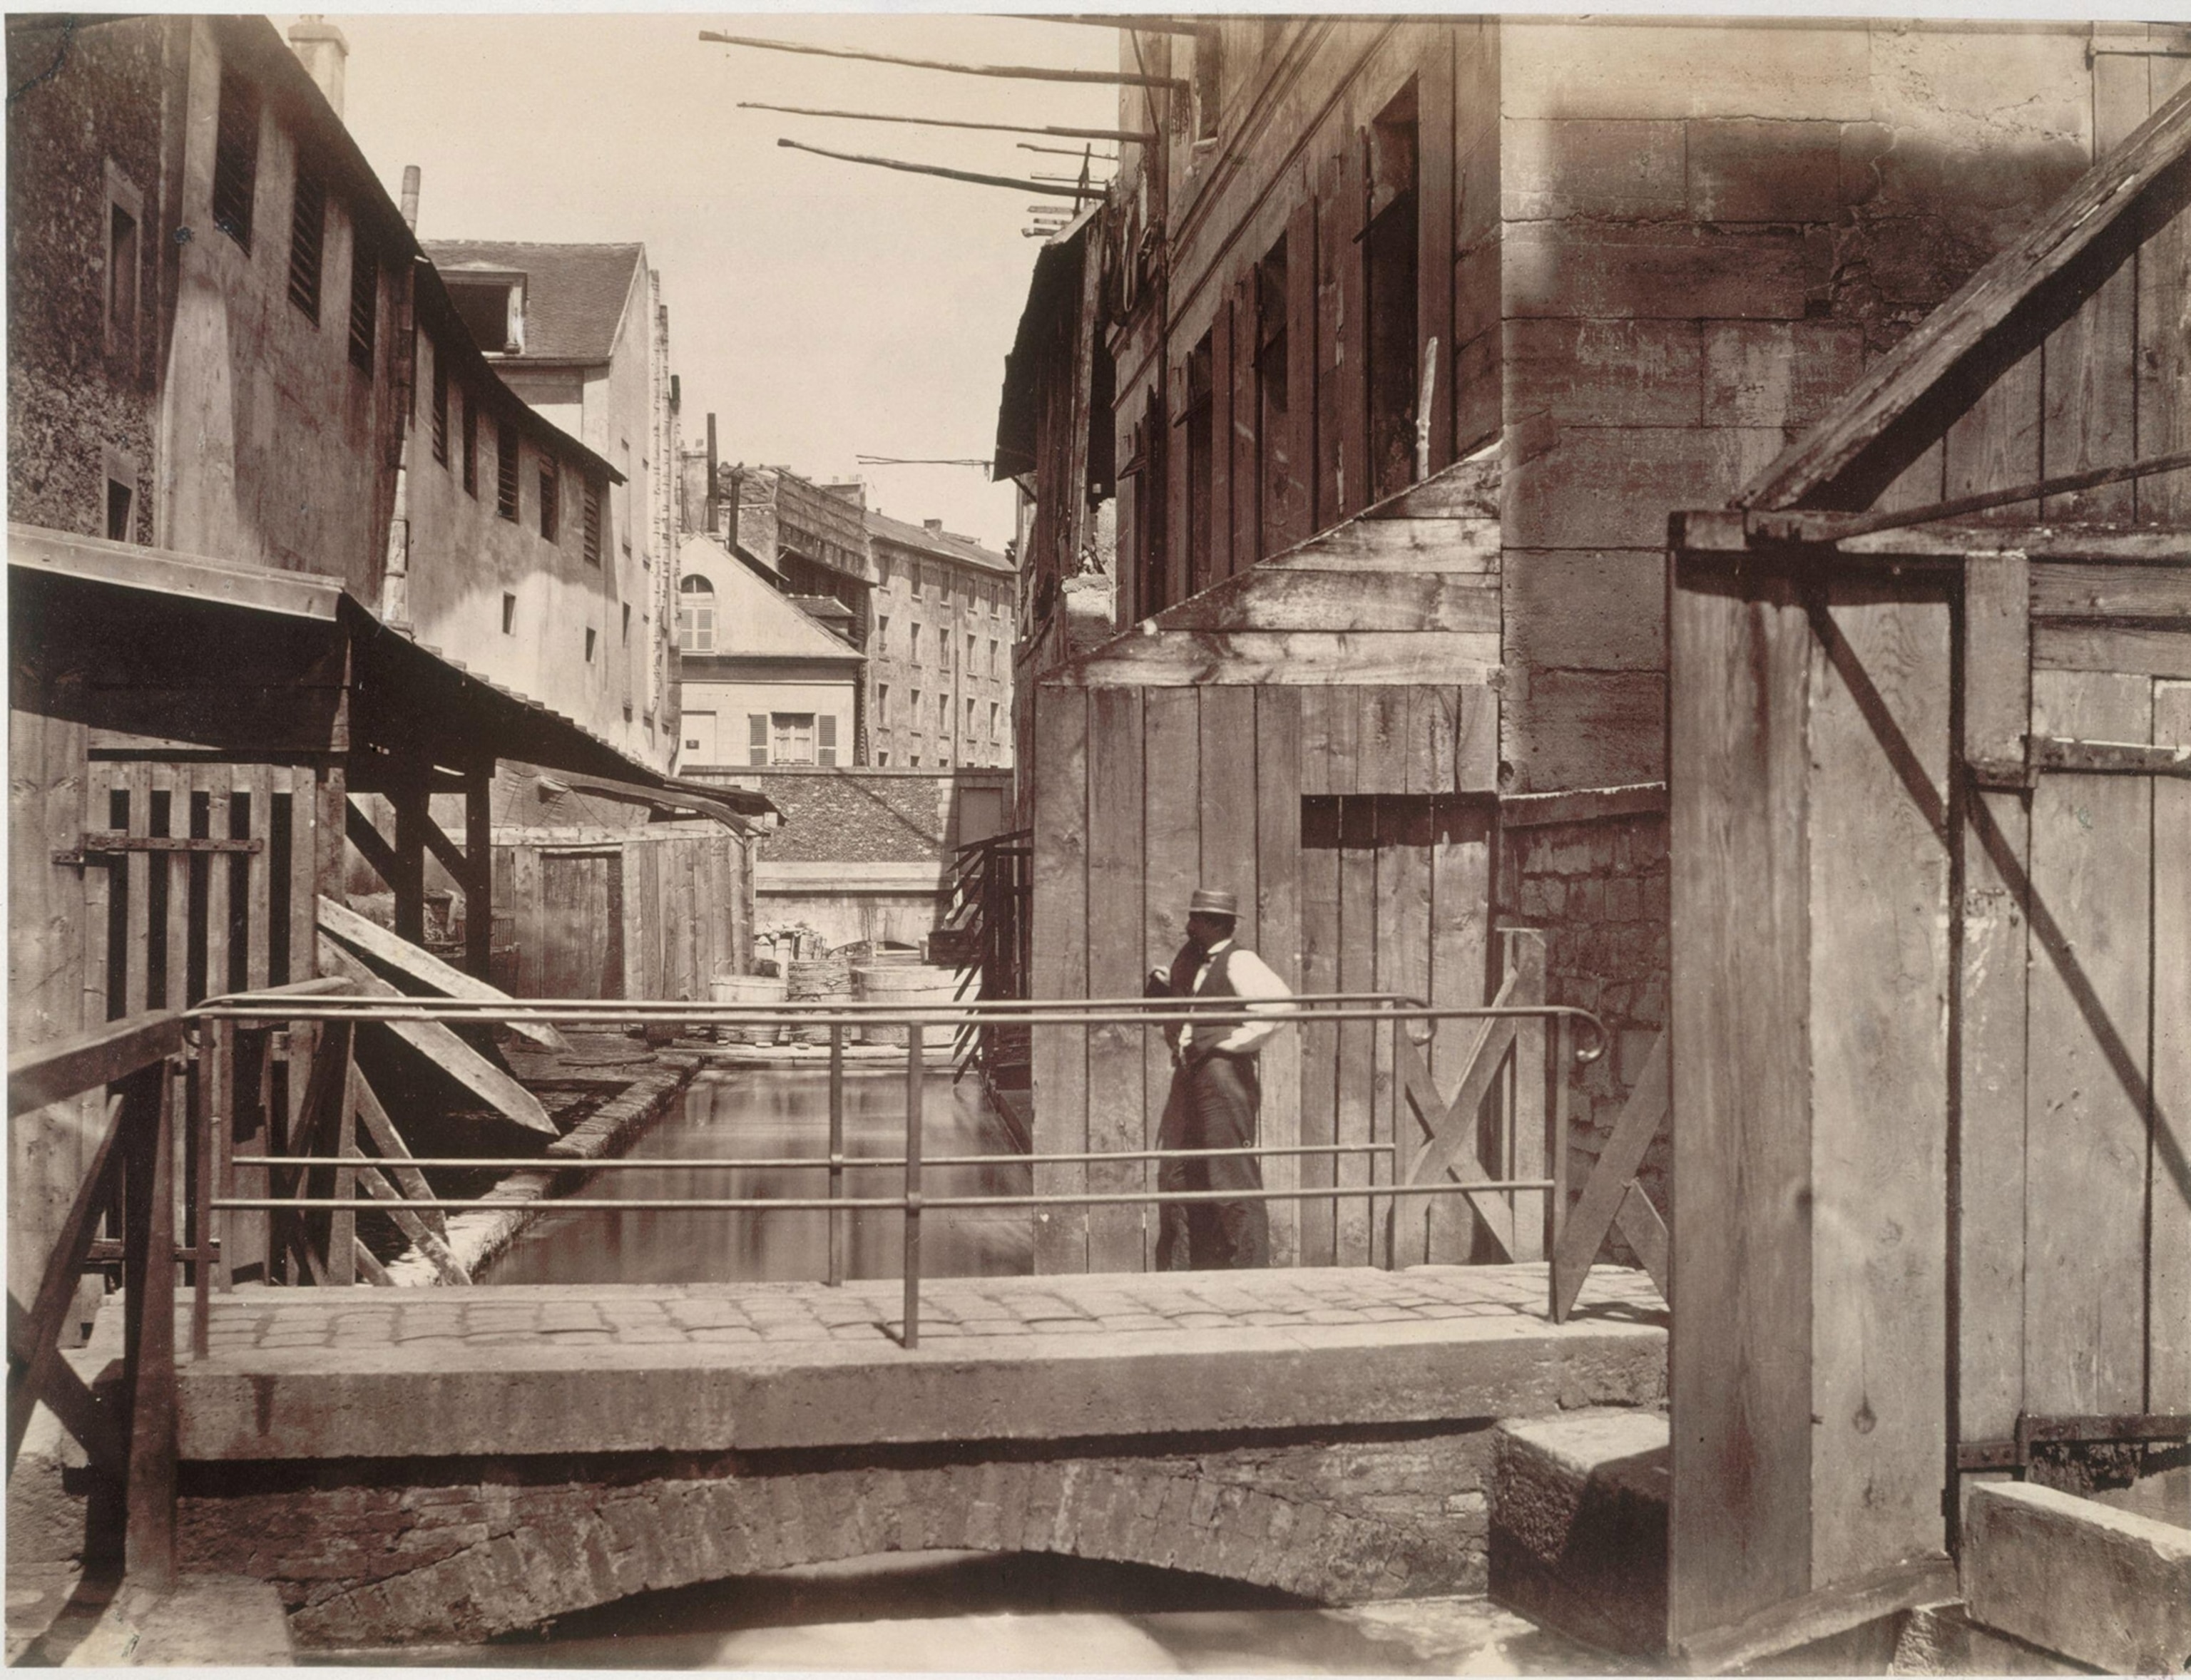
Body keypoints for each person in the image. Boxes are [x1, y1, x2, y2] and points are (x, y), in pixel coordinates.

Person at [1145, 886, 1293, 1270]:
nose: (1188, 925)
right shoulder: (1192, 960)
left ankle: (1250, 1270)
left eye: (1195, 919)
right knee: (1182, 1170)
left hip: (1223, 1075)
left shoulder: (1239, 961)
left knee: (1231, 1171)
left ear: (1213, 924)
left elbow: (1281, 1006)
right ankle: (1186, 1268)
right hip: (1191, 1072)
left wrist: (1233, 1042)